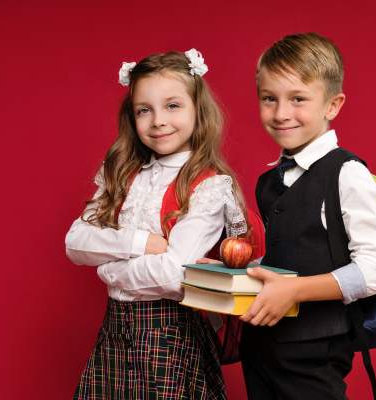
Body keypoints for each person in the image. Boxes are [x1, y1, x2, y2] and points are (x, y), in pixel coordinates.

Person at [66, 49, 248, 399]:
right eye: (144, 110)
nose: (158, 121)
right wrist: (141, 243)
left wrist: (108, 271)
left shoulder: (207, 184)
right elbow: (75, 242)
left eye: (172, 106)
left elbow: (173, 274)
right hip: (114, 333)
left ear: (198, 109)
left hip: (169, 338)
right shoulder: (120, 172)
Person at [239, 33, 376, 399]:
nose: (280, 113)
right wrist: (234, 271)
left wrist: (295, 291)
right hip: (262, 346)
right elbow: (291, 253)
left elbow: (375, 269)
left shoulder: (347, 174)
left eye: (297, 99)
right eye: (269, 99)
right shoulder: (271, 179)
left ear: (332, 105)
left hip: (314, 352)